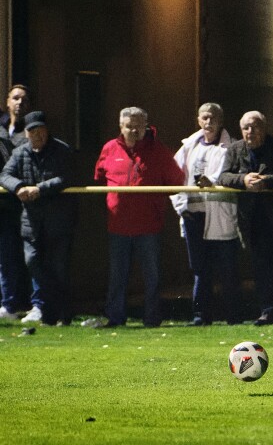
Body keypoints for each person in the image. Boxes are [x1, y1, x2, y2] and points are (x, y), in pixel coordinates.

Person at [92, 107, 185, 328]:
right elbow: (99, 176)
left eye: (138, 126)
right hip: (118, 226)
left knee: (151, 276)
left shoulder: (159, 151)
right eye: (129, 126)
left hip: (148, 226)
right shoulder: (109, 149)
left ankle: (152, 319)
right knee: (117, 276)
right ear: (120, 127)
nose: (134, 130)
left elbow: (176, 181)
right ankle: (115, 318)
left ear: (146, 126)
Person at [219, 111, 273, 326]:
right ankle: (268, 310)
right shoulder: (235, 150)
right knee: (262, 268)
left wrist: (267, 181)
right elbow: (223, 176)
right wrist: (244, 180)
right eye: (246, 128)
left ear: (264, 128)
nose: (251, 132)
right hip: (254, 221)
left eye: (255, 127)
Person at [0, 111, 77, 326]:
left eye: (41, 131)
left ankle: (59, 314)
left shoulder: (61, 149)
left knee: (58, 268)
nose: (38, 135)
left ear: (47, 130)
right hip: (31, 222)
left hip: (57, 221)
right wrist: (19, 187)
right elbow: (4, 175)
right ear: (26, 133)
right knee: (32, 261)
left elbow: (67, 177)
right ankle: (49, 308)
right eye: (33, 131)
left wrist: (40, 189)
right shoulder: (20, 152)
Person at [170, 102, 241, 326]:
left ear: (221, 121)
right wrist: (182, 207)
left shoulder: (231, 147)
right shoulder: (189, 146)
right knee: (200, 268)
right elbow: (173, 178)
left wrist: (214, 183)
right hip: (193, 215)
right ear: (198, 120)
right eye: (204, 118)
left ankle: (233, 316)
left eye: (213, 118)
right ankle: (201, 316)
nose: (208, 122)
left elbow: (233, 177)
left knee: (226, 267)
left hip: (219, 214)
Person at [0, 85, 31, 321]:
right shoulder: (0, 130)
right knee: (5, 256)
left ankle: (28, 304)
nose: (19, 102)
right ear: (7, 102)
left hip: (23, 203)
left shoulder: (32, 132)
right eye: (15, 98)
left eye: (24, 99)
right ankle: (8, 304)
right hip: (2, 203)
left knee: (28, 256)